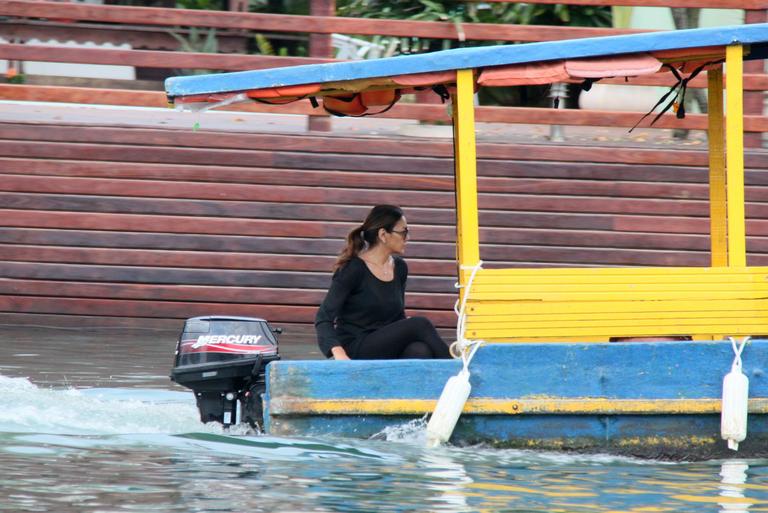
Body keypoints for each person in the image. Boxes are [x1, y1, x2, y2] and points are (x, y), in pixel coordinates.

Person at [315, 205, 452, 360]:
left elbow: (398, 316)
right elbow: (323, 317)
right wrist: (339, 353)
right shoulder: (353, 269)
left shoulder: (399, 268)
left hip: (384, 344)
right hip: (357, 346)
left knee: (420, 350)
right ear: (383, 235)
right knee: (420, 324)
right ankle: (460, 371)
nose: (407, 238)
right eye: (403, 232)